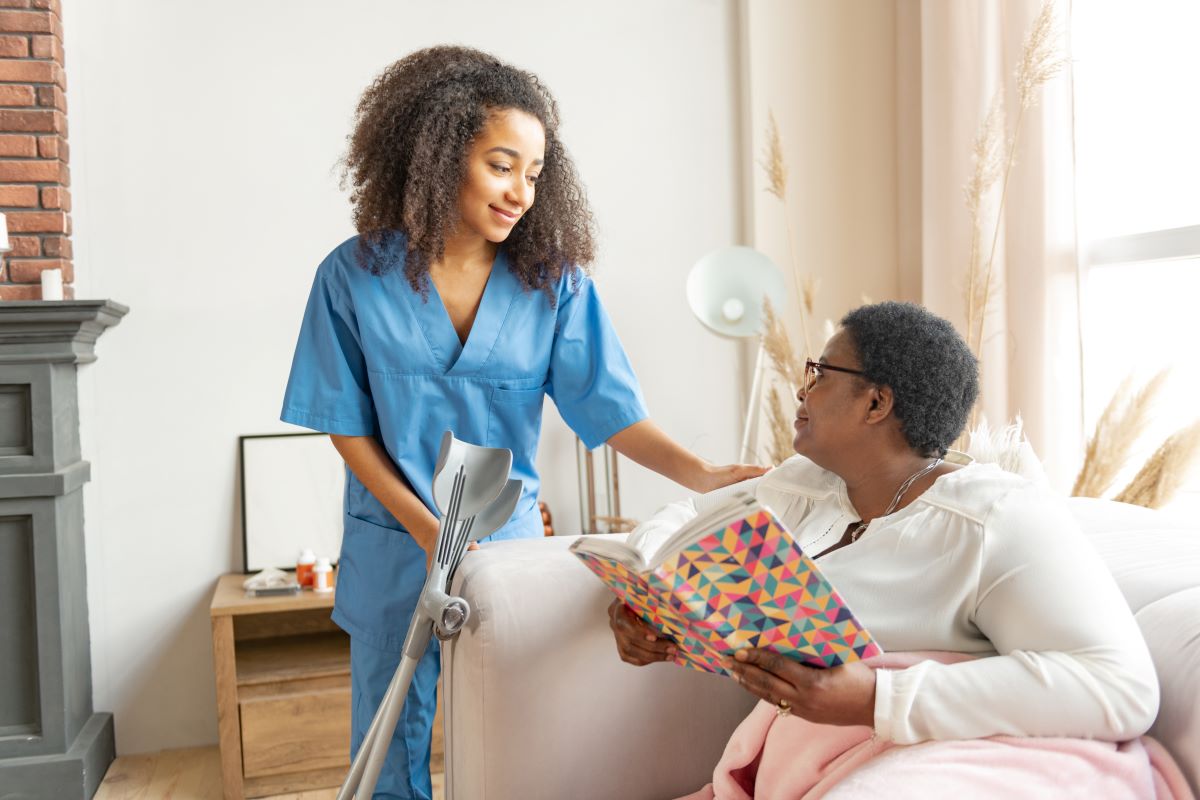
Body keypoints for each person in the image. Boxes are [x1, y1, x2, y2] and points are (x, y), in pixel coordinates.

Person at [281, 46, 763, 800]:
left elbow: (610, 410)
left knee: (509, 743)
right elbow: (346, 426)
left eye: (535, 175)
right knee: (388, 749)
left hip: (504, 555)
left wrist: (700, 474)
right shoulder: (351, 276)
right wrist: (427, 532)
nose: (520, 193)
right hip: (393, 542)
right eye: (502, 165)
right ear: (438, 157)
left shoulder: (554, 286)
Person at [609, 301, 1162, 797]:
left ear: (875, 402)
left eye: (819, 374)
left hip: (933, 765)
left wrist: (877, 698)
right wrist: (649, 600)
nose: (801, 391)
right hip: (807, 765)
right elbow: (683, 520)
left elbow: (1121, 686)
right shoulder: (806, 484)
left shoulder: (992, 518)